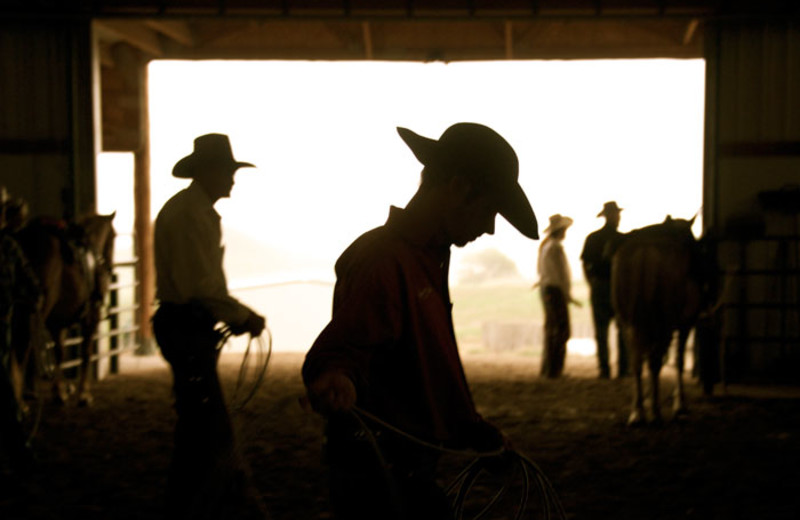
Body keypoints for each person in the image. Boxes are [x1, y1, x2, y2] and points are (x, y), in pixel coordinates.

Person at [302, 122, 539, 520]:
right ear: (460, 188)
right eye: (488, 210)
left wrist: (473, 430)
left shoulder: (424, 259)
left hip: (398, 472)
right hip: (379, 478)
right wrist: (336, 376)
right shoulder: (385, 261)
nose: (489, 226)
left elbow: (425, 364)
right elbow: (343, 351)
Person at [151, 133, 267, 519]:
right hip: (186, 326)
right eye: (227, 171)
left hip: (185, 325)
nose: (232, 179)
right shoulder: (191, 215)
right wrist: (241, 316)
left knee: (199, 419)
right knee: (205, 422)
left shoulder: (190, 210)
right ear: (207, 172)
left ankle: (189, 502)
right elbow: (201, 286)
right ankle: (200, 503)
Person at [0, 187, 40, 475]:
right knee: (4, 391)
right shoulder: (7, 246)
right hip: (1, 328)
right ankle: (18, 451)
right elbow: (32, 286)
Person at [580, 201, 628, 379]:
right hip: (616, 286)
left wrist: (591, 283)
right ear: (612, 216)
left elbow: (585, 263)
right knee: (621, 328)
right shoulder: (622, 239)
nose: (618, 218)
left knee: (601, 331)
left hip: (600, 285)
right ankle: (623, 368)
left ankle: (604, 368)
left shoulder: (593, 238)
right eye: (617, 215)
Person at [536, 214, 579, 378]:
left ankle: (549, 368)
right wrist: (567, 294)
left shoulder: (547, 247)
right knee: (561, 331)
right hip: (555, 291)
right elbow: (562, 275)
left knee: (552, 329)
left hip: (549, 290)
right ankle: (555, 370)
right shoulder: (555, 248)